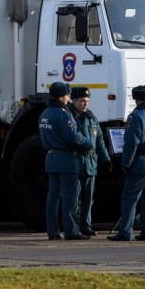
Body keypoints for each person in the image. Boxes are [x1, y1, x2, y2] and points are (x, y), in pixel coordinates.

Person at [107, 85, 145, 241]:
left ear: (136, 99)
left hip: (140, 163)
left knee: (129, 198)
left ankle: (125, 232)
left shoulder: (136, 116)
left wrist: (126, 163)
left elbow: (132, 142)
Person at [39, 81, 93, 241]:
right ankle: (71, 231)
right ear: (62, 97)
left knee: (53, 196)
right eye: (67, 96)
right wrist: (88, 143)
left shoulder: (45, 114)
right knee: (70, 197)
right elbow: (73, 137)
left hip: (51, 158)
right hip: (66, 159)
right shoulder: (63, 114)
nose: (68, 99)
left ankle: (53, 231)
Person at [68, 86, 112, 236]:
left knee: (88, 198)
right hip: (76, 161)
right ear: (73, 101)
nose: (85, 104)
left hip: (90, 162)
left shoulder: (91, 118)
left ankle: (85, 225)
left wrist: (105, 160)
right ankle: (73, 227)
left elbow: (99, 142)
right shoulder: (70, 117)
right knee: (75, 198)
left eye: (87, 101)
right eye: (81, 101)